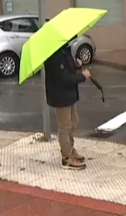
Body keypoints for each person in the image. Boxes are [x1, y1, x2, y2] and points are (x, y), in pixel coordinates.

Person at [45, 36, 91, 170]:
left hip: (69, 94)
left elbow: (68, 68)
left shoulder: (64, 51)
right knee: (65, 127)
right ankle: (66, 158)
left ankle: (71, 149)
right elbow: (64, 78)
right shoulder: (54, 55)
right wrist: (83, 76)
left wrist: (76, 64)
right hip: (60, 96)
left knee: (74, 123)